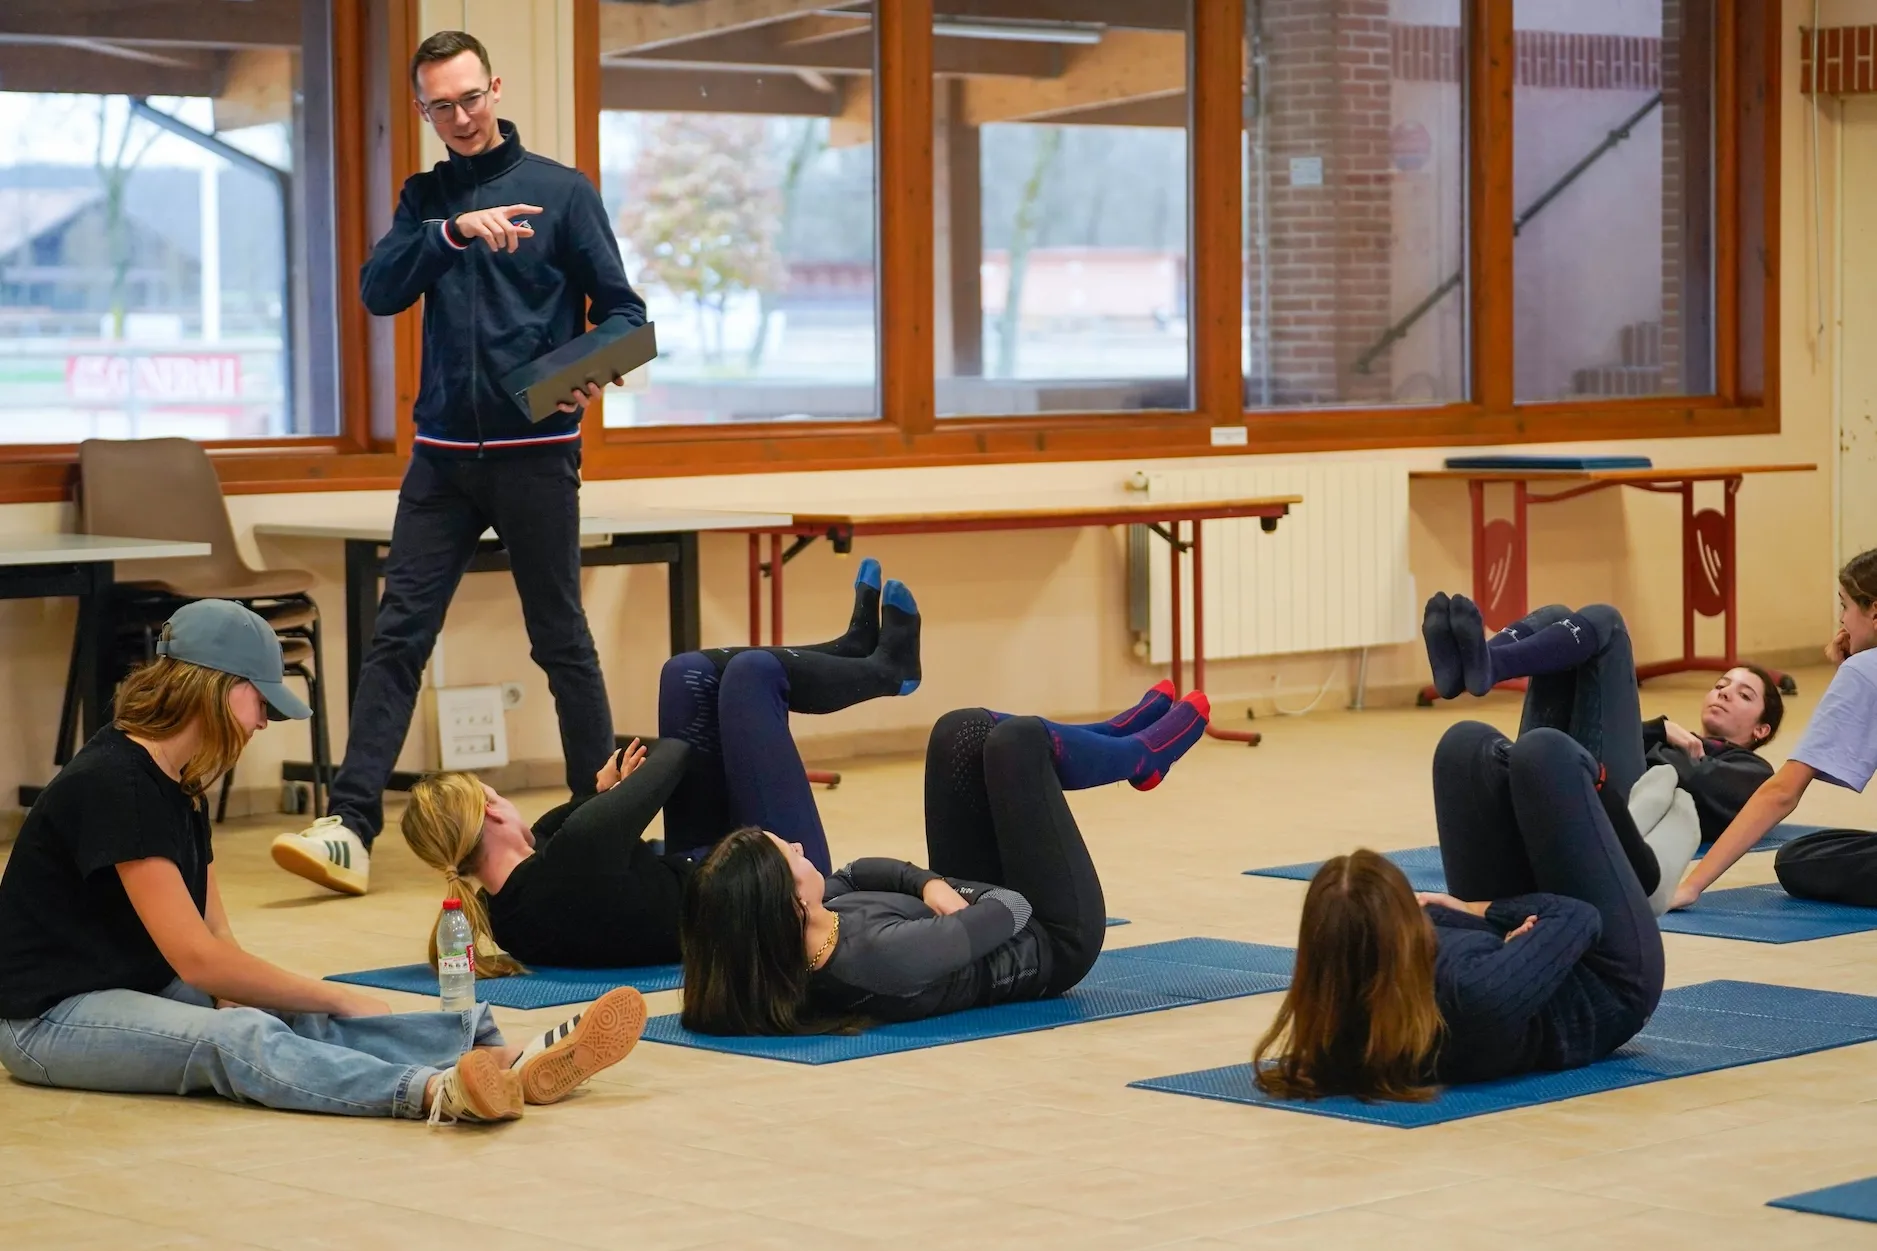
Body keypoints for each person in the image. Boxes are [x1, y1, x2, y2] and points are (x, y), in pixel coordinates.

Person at [0, 600, 643, 1125]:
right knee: (237, 1039)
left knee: (280, 1009)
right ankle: (434, 1091)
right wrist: (338, 997)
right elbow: (197, 958)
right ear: (222, 692)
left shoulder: (180, 782)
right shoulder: (115, 784)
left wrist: (312, 1006)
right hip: (49, 1019)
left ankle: (502, 1057)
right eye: (263, 705)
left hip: (136, 984)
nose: (264, 725)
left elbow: (219, 940)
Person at [399, 565, 1209, 976]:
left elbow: (578, 834)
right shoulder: (565, 855)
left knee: (690, 670)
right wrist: (611, 796)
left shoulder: (510, 910)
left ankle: (866, 656)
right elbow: (673, 759)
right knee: (742, 676)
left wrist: (599, 801)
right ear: (489, 815)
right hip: (757, 882)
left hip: (701, 869)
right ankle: (878, 665)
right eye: (497, 796)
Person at [271, 29, 646, 896]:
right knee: (399, 635)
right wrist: (448, 232)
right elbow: (378, 291)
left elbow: (624, 315)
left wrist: (573, 376)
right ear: (423, 111)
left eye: (471, 97)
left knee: (560, 640)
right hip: (440, 458)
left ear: (495, 87)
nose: (462, 117)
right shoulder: (423, 197)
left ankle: (601, 822)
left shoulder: (561, 192)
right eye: (442, 105)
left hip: (535, 456)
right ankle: (349, 826)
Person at [1255, 600, 1668, 1101]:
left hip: (1534, 941)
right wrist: (1478, 910)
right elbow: (1577, 918)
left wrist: (1505, 932)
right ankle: (1641, 869)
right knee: (1566, 710)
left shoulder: (1346, 982)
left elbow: (1530, 934)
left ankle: (1491, 663)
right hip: (1609, 977)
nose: (1421, 902)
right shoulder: (1474, 992)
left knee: (1463, 746)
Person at [676, 687, 1212, 1036]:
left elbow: (861, 870)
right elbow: (1013, 906)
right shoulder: (882, 958)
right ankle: (1140, 754)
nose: (798, 847)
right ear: (788, 900)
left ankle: (1115, 738)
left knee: (959, 730)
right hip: (1051, 935)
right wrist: (947, 890)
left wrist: (931, 886)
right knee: (1017, 743)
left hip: (974, 906)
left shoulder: (810, 925)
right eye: (788, 855)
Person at [1424, 593, 1783, 841]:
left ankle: (1489, 664)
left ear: (1761, 729)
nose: (1724, 692)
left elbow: (1690, 781)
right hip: (1562, 781)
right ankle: (1472, 665)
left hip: (1614, 817)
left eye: (1743, 694)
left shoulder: (1755, 773)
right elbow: (1615, 737)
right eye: (1722, 684)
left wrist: (1658, 731)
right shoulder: (1673, 736)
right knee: (1557, 616)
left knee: (1607, 622)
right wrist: (1660, 732)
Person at [1675, 549, 1877, 910]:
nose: (1842, 620)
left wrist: (1691, 885)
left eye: (1844, 606)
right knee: (1818, 847)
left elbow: (1783, 792)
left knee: (1797, 860)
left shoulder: (1863, 671)